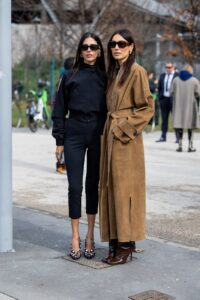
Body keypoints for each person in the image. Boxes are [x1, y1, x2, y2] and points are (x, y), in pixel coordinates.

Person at [99, 29, 154, 265]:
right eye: (112, 44)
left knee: (125, 191)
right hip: (109, 138)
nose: (116, 47)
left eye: (121, 43)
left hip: (125, 140)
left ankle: (125, 244)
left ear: (131, 46)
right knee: (111, 189)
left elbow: (147, 107)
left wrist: (123, 129)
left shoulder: (137, 71)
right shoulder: (114, 72)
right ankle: (117, 240)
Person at [52, 32, 107, 260]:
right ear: (80, 50)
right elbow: (59, 110)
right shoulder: (70, 75)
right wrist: (59, 140)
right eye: (85, 47)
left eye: (93, 47)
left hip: (97, 131)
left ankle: (90, 236)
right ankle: (75, 236)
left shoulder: (106, 77)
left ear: (100, 50)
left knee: (92, 185)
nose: (89, 51)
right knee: (75, 187)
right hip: (74, 131)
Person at [170, 64, 200, 152]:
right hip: (190, 106)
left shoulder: (175, 80)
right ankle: (190, 146)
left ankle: (180, 146)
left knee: (180, 125)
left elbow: (171, 92)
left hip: (179, 106)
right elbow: (198, 93)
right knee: (190, 125)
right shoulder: (194, 80)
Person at [156, 62, 178, 142]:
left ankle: (178, 137)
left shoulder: (177, 76)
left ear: (173, 67)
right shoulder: (162, 76)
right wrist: (159, 98)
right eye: (166, 67)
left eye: (169, 67)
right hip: (164, 99)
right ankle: (163, 136)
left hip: (173, 100)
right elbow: (159, 87)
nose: (168, 69)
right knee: (164, 119)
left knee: (175, 119)